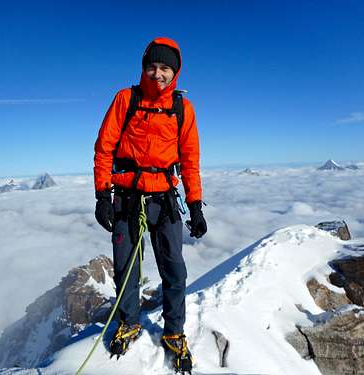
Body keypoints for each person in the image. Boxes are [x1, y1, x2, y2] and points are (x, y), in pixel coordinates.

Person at [93, 37, 207, 373]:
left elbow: (189, 159)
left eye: (165, 68)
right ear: (144, 67)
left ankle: (174, 332)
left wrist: (196, 204)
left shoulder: (182, 108)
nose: (158, 73)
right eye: (152, 66)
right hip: (127, 197)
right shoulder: (125, 99)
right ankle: (129, 321)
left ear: (175, 72)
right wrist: (102, 196)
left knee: (174, 270)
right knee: (126, 267)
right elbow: (104, 149)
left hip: (165, 199)